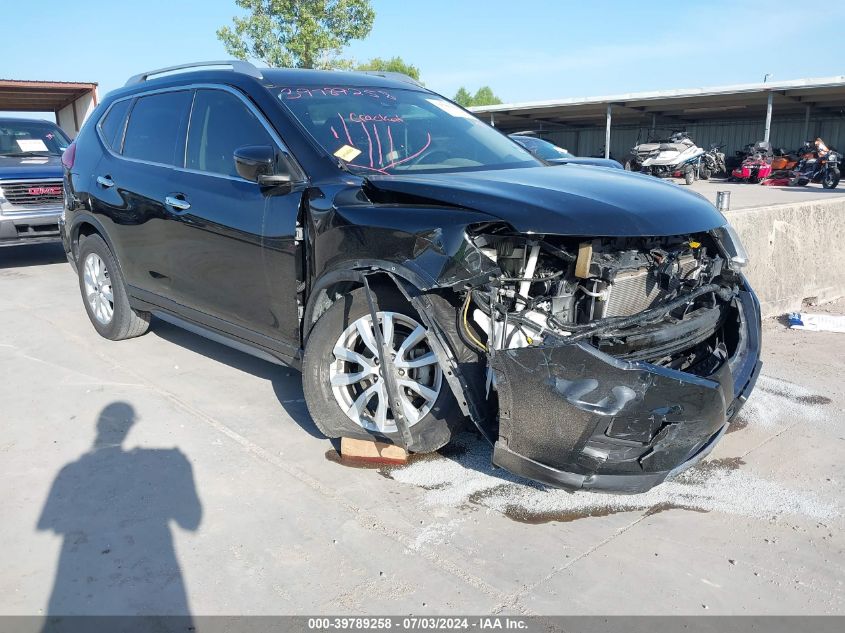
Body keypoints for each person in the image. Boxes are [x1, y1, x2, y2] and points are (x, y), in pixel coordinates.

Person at [37, 402, 202, 621]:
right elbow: (190, 521)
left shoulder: (69, 472)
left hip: (80, 583)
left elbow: (49, 523)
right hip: (147, 572)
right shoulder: (72, 472)